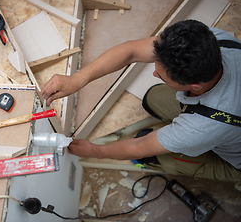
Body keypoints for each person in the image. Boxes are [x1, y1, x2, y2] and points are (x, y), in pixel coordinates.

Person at [41, 20, 241, 185]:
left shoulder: (203, 127)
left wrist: (94, 150)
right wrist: (76, 80)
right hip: (217, 110)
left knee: (147, 154)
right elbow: (131, 51)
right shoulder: (210, 42)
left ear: (194, 85)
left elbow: (140, 146)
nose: (154, 73)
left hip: (233, 157)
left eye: (163, 77)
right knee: (151, 99)